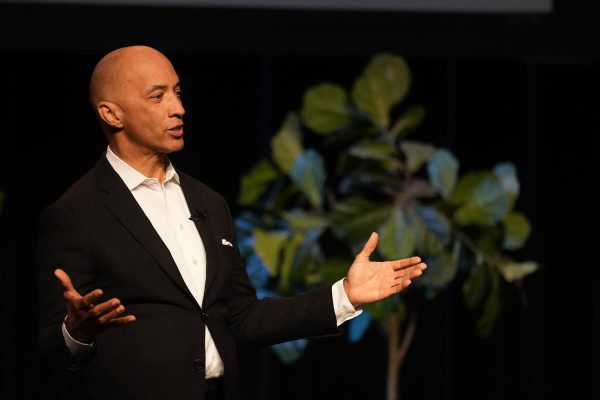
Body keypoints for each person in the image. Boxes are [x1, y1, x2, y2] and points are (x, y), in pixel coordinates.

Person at [35, 45, 427, 400]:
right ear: (111, 113)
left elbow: (240, 317)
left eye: (177, 92)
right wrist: (77, 331)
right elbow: (52, 348)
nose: (178, 108)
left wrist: (344, 296)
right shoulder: (76, 213)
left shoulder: (209, 202)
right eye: (158, 96)